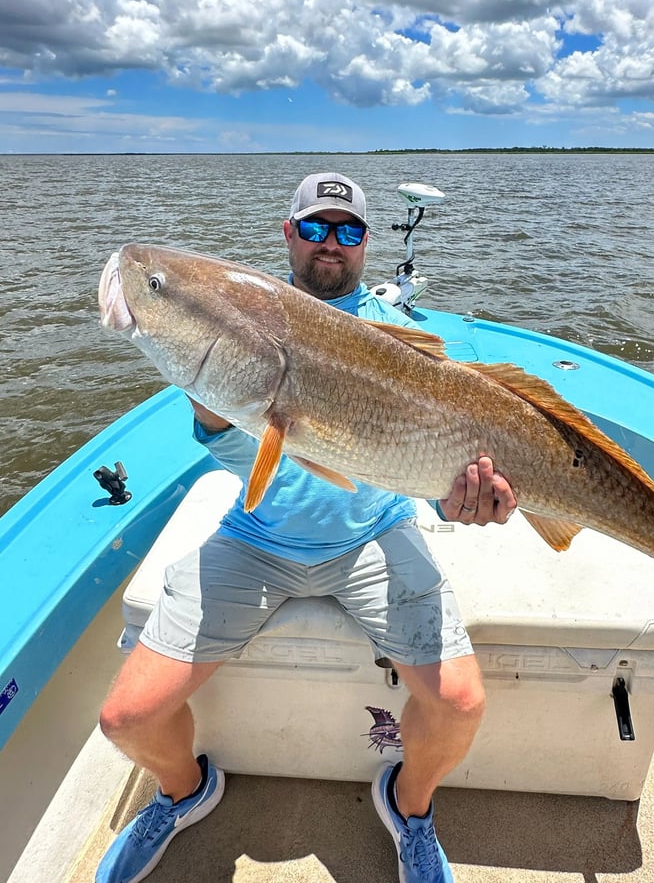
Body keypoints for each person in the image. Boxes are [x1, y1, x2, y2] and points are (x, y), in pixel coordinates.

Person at [96, 172, 517, 883]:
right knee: (124, 719)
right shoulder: (246, 318)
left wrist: (466, 504)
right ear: (289, 233)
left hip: (374, 536)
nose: (332, 243)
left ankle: (409, 807)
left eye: (348, 230)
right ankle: (182, 791)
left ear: (366, 244)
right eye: (316, 227)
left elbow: (434, 481)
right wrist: (209, 404)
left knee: (461, 704)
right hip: (257, 539)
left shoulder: (409, 339)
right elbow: (237, 451)